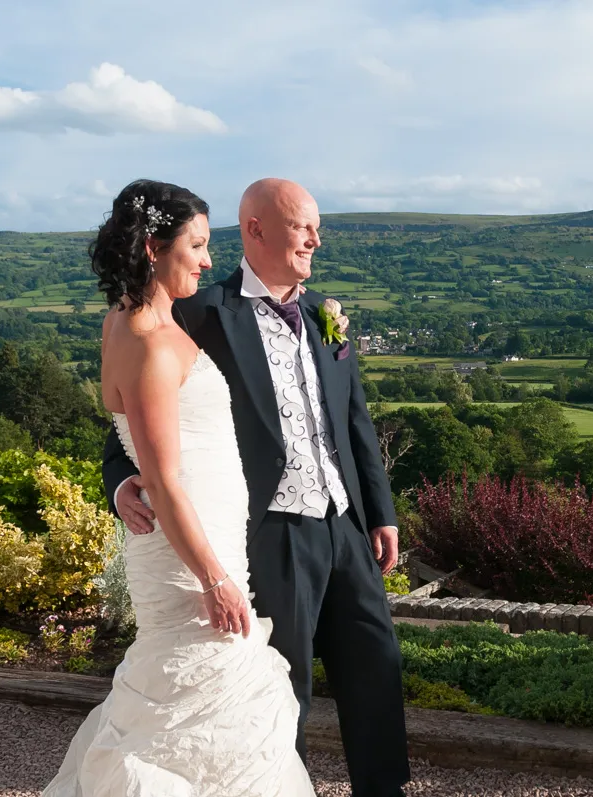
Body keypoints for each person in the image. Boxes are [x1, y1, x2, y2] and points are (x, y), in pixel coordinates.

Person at [104, 178, 410, 797]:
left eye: (316, 228)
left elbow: (354, 417)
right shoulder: (196, 311)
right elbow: (129, 429)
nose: (316, 240)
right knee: (277, 683)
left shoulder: (326, 313)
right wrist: (120, 485)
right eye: (302, 227)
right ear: (256, 229)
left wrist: (381, 511)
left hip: (345, 524)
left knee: (376, 667)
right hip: (266, 531)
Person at [43, 179, 315, 797]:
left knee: (201, 701)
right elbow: (164, 481)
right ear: (151, 247)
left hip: (206, 537)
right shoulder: (149, 342)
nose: (209, 258)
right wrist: (214, 580)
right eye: (196, 244)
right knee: (204, 689)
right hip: (188, 556)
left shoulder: (129, 322)